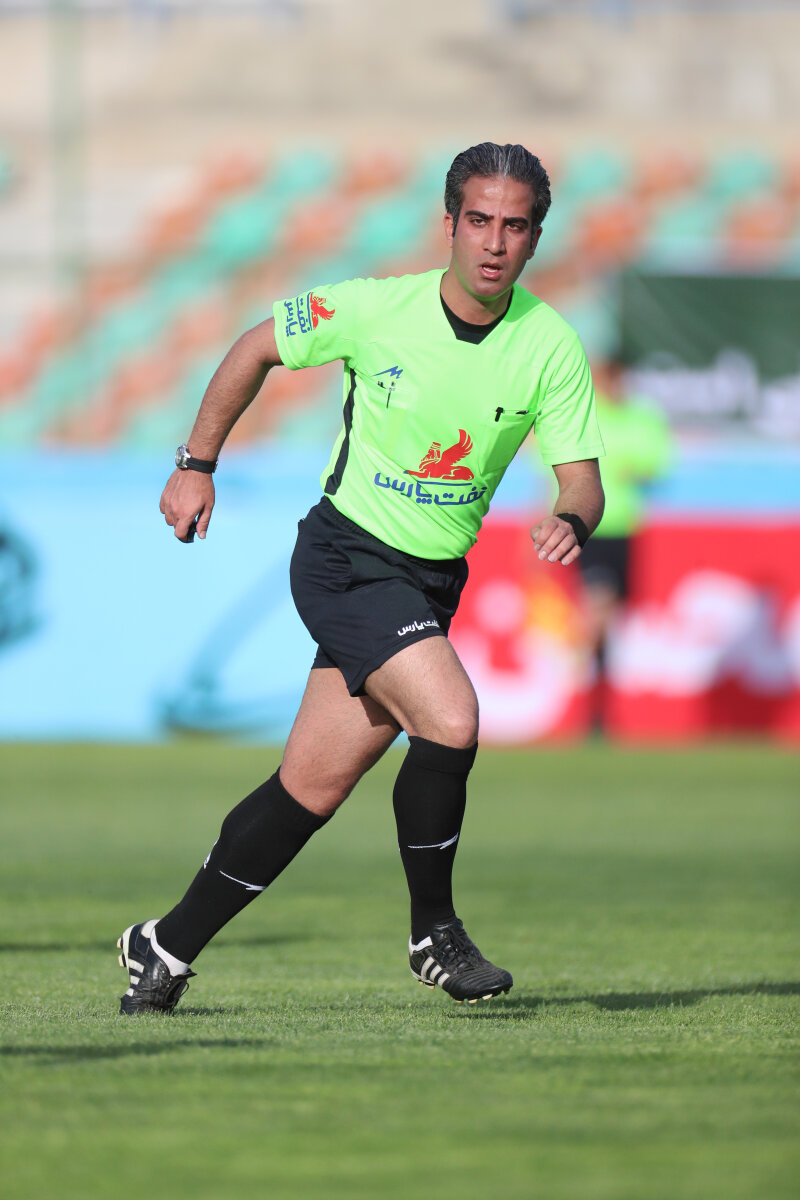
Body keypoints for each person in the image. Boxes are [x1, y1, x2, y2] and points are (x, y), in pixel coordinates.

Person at [117, 142, 605, 1015]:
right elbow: (255, 347)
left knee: (308, 789)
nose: (495, 242)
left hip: (429, 583)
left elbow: (583, 480)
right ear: (449, 223)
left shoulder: (549, 345)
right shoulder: (377, 309)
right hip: (347, 558)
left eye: (515, 226)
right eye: (480, 221)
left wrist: (571, 516)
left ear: (536, 237)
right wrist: (196, 464)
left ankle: (164, 946)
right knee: (451, 720)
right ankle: (434, 935)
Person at [577, 355, 671, 732]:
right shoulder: (584, 414)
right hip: (586, 528)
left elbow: (655, 465)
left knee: (612, 615)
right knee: (598, 607)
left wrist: (630, 468)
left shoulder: (642, 417)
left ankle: (599, 699)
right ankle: (591, 703)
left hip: (624, 529)